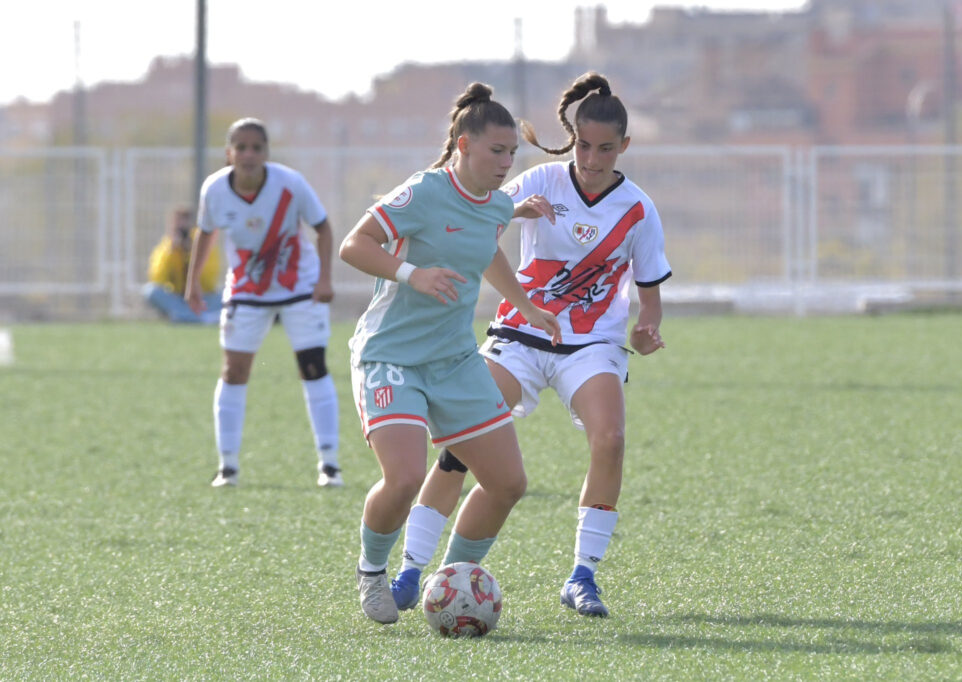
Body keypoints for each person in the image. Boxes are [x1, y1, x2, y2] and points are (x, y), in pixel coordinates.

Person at [390, 72, 672, 618]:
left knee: (610, 438)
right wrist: (506, 224)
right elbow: (477, 225)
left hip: (591, 345)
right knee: (460, 448)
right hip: (518, 336)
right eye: (583, 145)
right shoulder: (539, 181)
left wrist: (647, 327)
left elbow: (649, 291)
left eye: (605, 149)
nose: (591, 159)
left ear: (624, 147)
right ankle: (410, 569)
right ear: (573, 138)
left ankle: (582, 576)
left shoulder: (639, 210)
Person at [339, 82, 562, 624]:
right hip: (390, 356)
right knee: (405, 477)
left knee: (508, 483)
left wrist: (526, 307)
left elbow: (485, 248)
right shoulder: (422, 192)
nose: (507, 163)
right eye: (496, 151)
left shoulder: (497, 203)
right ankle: (372, 573)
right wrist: (413, 274)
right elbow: (354, 246)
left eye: (512, 153)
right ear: (463, 145)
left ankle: (451, 584)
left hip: (455, 361)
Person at [184, 117, 342, 488]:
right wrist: (193, 284)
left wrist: (323, 278)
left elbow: (323, 227)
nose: (249, 154)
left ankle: (330, 464)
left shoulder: (291, 183)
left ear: (267, 153)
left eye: (257, 147)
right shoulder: (215, 190)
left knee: (313, 366)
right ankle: (228, 467)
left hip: (299, 286)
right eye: (241, 147)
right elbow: (205, 235)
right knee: (234, 371)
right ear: (229, 154)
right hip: (246, 290)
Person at [142, 207, 222, 324]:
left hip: (202, 297)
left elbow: (209, 281)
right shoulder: (167, 247)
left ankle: (186, 317)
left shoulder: (204, 244)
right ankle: (199, 318)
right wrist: (172, 252)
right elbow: (157, 278)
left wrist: (192, 254)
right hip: (178, 297)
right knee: (150, 291)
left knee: (226, 295)